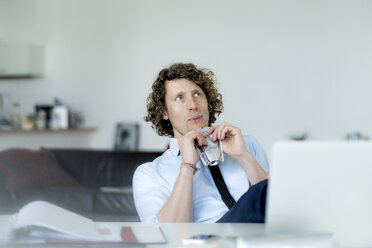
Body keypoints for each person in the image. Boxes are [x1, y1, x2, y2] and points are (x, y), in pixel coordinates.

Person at [133, 63, 269, 223]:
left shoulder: (246, 144)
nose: (193, 105)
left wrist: (243, 156)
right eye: (179, 98)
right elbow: (167, 235)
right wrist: (187, 167)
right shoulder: (149, 173)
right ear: (164, 112)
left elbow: (277, 207)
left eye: (197, 94)